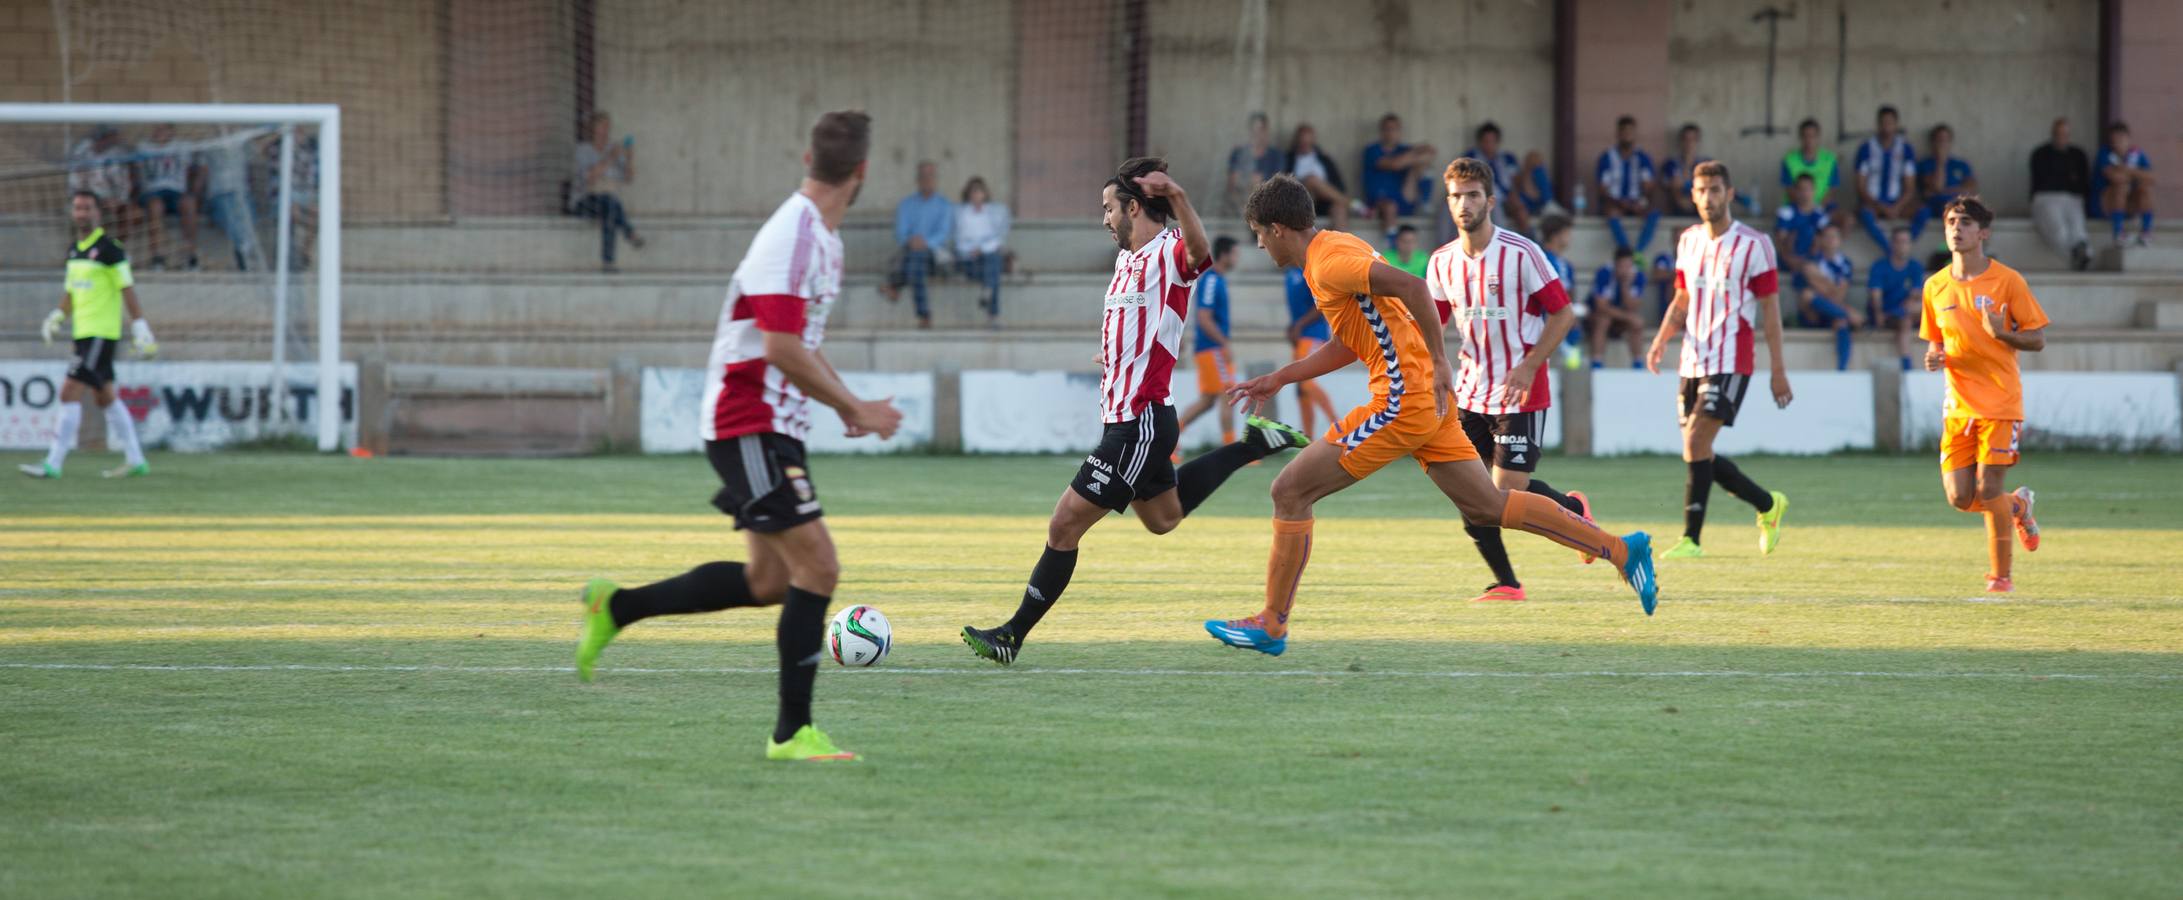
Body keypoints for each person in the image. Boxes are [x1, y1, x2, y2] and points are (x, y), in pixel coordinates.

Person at [1205, 175, 1657, 656]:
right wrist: (1282, 377)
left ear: (1277, 229)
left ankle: (1272, 623)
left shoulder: (1331, 261)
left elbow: (1415, 286)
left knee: (1288, 490)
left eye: (1258, 232)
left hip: (1402, 401)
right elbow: (1347, 341)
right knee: (1491, 506)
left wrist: (1441, 360)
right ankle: (1622, 550)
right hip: (1426, 400)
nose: (1257, 243)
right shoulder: (1333, 250)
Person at [573, 111, 903, 763]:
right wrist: (854, 405)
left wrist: (846, 405)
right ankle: (791, 734)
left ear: (808, 154)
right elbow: (780, 348)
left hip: (773, 424)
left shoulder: (822, 241)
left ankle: (616, 607)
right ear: (863, 171)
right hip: (745, 419)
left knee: (768, 582)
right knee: (820, 566)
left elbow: (799, 344)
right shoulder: (794, 236)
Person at [958, 159, 1311, 667]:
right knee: (1163, 518)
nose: (1104, 219)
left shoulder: (1169, 251)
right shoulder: (1127, 262)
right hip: (1135, 417)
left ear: (1133, 207)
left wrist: (1180, 196)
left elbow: (1201, 252)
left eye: (1108, 208)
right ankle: (1252, 445)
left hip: (1137, 422)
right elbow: (1137, 326)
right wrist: (1113, 354)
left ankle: (1011, 635)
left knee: (1063, 528)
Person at [1425, 156, 1598, 603]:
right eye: (1456, 197)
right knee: (1469, 492)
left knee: (1504, 497)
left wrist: (1529, 364)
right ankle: (1507, 583)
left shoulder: (1521, 253)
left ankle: (1575, 511)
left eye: (1473, 195)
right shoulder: (1442, 262)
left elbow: (1562, 313)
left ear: (1491, 201)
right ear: (1448, 203)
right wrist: (1428, 368)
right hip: (1469, 393)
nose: (1464, 205)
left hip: (1521, 392)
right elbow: (1432, 325)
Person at [1644, 161, 1794, 561]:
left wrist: (1778, 370)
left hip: (1732, 358)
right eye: (1700, 190)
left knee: (1695, 442)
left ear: (1729, 194)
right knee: (1698, 451)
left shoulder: (1755, 244)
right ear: (1692, 195)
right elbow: (1682, 298)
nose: (1707, 197)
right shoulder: (1688, 240)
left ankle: (1691, 540)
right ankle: (1767, 504)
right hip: (1692, 358)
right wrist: (1661, 339)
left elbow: (1770, 310)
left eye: (1715, 190)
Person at [1921, 196, 2046, 593]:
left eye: (1966, 223)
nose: (1957, 228)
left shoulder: (2008, 281)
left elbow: (2037, 338)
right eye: (1951, 222)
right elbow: (1934, 342)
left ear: (1983, 233)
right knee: (1959, 497)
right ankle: (2019, 506)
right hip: (1958, 405)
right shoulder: (1935, 286)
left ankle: (2000, 578)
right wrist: (1933, 357)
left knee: (1988, 489)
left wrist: (2004, 334)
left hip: (2001, 401)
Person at [21, 192, 154, 480]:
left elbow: (126, 288)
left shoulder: (110, 249)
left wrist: (140, 325)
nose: (81, 213)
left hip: (101, 333)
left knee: (69, 390)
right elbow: (71, 291)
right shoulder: (74, 250)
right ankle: (136, 460)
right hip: (83, 333)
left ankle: (53, 464)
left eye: (87, 208)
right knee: (105, 396)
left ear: (98, 213)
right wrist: (57, 316)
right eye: (78, 208)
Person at [1178, 235, 1241, 446]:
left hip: (1208, 349)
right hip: (1212, 348)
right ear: (1224, 255)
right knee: (1228, 395)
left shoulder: (1217, 279)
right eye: (1235, 254)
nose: (1237, 258)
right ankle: (1231, 448)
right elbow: (1204, 318)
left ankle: (1171, 442)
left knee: (1207, 401)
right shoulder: (1212, 280)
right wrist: (1224, 344)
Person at [570, 111, 645, 273]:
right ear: (593, 129)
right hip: (584, 202)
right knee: (610, 202)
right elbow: (589, 177)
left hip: (607, 202)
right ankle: (629, 232)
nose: (605, 131)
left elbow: (628, 178)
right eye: (602, 127)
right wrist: (610, 158)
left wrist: (629, 158)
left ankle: (608, 263)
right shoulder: (583, 150)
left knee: (610, 206)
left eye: (608, 127)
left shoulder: (613, 149)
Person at [880, 160, 951, 328]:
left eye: (931, 176)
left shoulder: (944, 205)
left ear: (936, 179)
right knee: (916, 262)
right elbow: (900, 233)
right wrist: (911, 241)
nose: (927, 180)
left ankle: (895, 285)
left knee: (916, 258)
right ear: (917, 180)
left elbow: (944, 233)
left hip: (935, 257)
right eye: (923, 176)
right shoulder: (906, 204)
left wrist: (925, 242)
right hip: (912, 253)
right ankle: (924, 314)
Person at [1361, 114, 1439, 243]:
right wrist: (1415, 154)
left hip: (1404, 197)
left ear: (1399, 131)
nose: (1391, 132)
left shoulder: (1404, 149)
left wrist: (1415, 155)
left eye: (1394, 129)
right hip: (1379, 201)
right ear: (1381, 131)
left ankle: (1425, 202)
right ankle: (1391, 244)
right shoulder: (1372, 150)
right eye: (1387, 129)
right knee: (1390, 207)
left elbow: (1430, 153)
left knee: (1424, 166)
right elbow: (1394, 164)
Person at [2029, 118, 2093, 270]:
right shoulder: (2040, 154)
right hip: (2046, 198)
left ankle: (2083, 251)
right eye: (2058, 134)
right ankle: (2076, 254)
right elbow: (2041, 183)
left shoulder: (2077, 154)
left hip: (2072, 198)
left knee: (2078, 227)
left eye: (2065, 134)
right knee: (2058, 228)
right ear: (2052, 134)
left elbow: (2081, 184)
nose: (2061, 137)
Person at [1796, 223, 1861, 371]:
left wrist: (1822, 282)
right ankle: (1849, 315)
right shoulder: (1810, 260)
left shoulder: (1845, 263)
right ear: (1820, 240)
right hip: (1813, 312)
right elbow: (1819, 288)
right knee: (1807, 295)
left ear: (1840, 240)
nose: (1831, 240)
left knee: (1841, 323)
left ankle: (1841, 370)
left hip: (1832, 310)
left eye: (1835, 236)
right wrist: (1831, 287)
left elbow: (1839, 294)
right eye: (1827, 236)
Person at [1285, 263, 1340, 436]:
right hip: (1301, 335)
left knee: (1306, 383)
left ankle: (1338, 426)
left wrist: (1299, 325)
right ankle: (1308, 440)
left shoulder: (1309, 269)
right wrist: (1293, 327)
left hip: (1313, 334)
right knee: (1301, 391)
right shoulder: (1290, 272)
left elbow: (1321, 304)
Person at [135, 123, 199, 270]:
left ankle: (190, 255)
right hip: (153, 191)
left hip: (177, 192)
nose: (159, 132)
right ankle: (157, 256)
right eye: (157, 128)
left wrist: (194, 191)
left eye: (164, 129)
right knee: (156, 205)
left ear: (172, 132)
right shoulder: (143, 147)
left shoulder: (183, 147)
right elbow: (135, 172)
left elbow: (192, 170)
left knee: (189, 203)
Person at [1854, 105, 1919, 251]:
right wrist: (1881, 206)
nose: (1886, 127)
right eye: (1883, 122)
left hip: (1898, 204)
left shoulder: (1905, 149)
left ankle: (1905, 244)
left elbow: (1910, 187)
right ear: (1877, 124)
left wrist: (1897, 206)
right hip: (1873, 204)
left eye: (1890, 122)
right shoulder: (1866, 148)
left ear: (1896, 124)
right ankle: (1890, 249)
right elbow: (1860, 186)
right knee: (1864, 214)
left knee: (1923, 212)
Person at [198, 131, 260, 271]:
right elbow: (203, 171)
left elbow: (254, 163)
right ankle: (244, 249)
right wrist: (198, 196)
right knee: (229, 214)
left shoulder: (243, 143)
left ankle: (243, 250)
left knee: (248, 214)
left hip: (242, 193)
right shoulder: (209, 145)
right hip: (219, 194)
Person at [1596, 115, 1660, 253]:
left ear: (1635, 134)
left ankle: (1638, 252)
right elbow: (1603, 188)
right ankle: (1626, 251)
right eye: (1623, 131)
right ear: (1617, 133)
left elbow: (1649, 185)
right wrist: (1620, 203)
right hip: (1615, 202)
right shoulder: (1607, 157)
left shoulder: (1642, 157)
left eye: (1630, 131)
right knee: (1611, 213)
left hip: (1637, 202)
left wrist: (1641, 201)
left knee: (1653, 213)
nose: (1627, 135)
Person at [953, 176, 1009, 326]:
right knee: (992, 273)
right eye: (973, 192)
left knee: (993, 260)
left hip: (987, 255)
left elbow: (998, 238)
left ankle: (989, 297)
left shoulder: (994, 212)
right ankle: (992, 313)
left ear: (985, 194)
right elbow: (958, 240)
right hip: (967, 257)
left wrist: (982, 249)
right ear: (968, 195)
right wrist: (972, 250)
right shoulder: (961, 214)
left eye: (979, 192)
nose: (976, 196)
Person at [1867, 227, 1925, 371]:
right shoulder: (1880, 266)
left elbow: (1915, 293)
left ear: (1910, 244)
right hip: (1886, 313)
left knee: (1936, 307)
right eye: (1899, 241)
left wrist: (1907, 306)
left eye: (1905, 242)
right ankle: (1907, 365)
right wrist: (1879, 313)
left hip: (1906, 311)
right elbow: (1875, 295)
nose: (1902, 245)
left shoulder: (1915, 266)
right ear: (1892, 244)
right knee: (1906, 321)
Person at [67, 125, 134, 245]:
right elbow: (75, 182)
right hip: (87, 196)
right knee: (86, 212)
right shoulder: (82, 153)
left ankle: (118, 250)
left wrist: (118, 200)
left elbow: (123, 182)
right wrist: (91, 198)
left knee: (127, 213)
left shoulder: (116, 154)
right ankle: (86, 248)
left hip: (110, 198)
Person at [1909, 123, 1977, 242]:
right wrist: (1940, 162)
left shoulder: (1960, 164)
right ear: (1933, 142)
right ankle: (1908, 244)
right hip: (1932, 205)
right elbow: (1937, 185)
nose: (1942, 144)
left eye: (1945, 140)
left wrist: (1942, 191)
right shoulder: (1925, 164)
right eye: (1939, 140)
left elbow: (1970, 189)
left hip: (1954, 206)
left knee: (1963, 212)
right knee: (1923, 212)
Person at [1538, 215, 1586, 370]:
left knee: (1572, 366)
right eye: (1567, 233)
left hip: (1565, 325)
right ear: (1556, 235)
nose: (1570, 237)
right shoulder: (1542, 259)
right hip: (1545, 325)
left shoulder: (1566, 264)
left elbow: (1570, 294)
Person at [1588, 246, 1649, 369]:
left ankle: (1638, 363)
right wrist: (1628, 317)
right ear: (1615, 264)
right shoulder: (1604, 273)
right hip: (1599, 315)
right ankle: (1597, 362)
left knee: (1637, 324)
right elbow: (1601, 306)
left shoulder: (1638, 276)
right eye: (1622, 266)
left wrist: (1625, 285)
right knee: (1603, 320)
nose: (1625, 270)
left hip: (1621, 316)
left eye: (1629, 266)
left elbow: (1633, 306)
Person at [1283, 123, 1350, 232]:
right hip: (1300, 200)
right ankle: (1350, 204)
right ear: (1297, 141)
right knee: (1312, 180)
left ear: (1313, 141)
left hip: (1324, 201)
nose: (1305, 144)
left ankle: (1341, 247)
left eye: (1308, 141)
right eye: (1302, 141)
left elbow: (1338, 184)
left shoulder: (1324, 159)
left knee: (1339, 209)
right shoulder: (1288, 159)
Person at [2097, 121, 2155, 246]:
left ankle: (2146, 232)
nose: (2118, 143)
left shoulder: (2136, 153)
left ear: (2128, 138)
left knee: (2145, 188)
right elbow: (2115, 178)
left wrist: (2127, 169)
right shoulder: (2105, 153)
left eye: (2121, 138)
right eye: (2115, 139)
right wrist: (2136, 175)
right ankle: (2118, 233)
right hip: (2106, 204)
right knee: (2121, 187)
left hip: (2130, 204)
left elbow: (2151, 177)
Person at [1464, 122, 1527, 233]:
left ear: (1498, 142)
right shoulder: (1472, 157)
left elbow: (1515, 180)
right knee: (1494, 207)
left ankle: (1530, 241)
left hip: (1507, 197)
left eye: (1492, 141)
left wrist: (1513, 195)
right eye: (1485, 141)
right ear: (1480, 142)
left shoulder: (1507, 158)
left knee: (1521, 211)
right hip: (1486, 197)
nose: (1489, 145)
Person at [1226, 112, 1285, 214]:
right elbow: (1233, 183)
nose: (1257, 134)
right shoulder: (1239, 153)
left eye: (1260, 130)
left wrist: (1258, 181)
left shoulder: (1276, 156)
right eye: (1254, 130)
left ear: (1266, 131)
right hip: (1241, 203)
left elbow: (1278, 185)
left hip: (1267, 204)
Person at [1773, 173, 1832, 270]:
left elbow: (1824, 240)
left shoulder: (1820, 214)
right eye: (1801, 189)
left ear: (1814, 190)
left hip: (1813, 260)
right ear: (1795, 191)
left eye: (1808, 189)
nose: (1805, 193)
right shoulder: (1786, 212)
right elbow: (1781, 240)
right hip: (1790, 259)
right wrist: (1790, 258)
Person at [1780, 118, 1841, 209]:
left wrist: (1817, 209)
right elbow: (1789, 190)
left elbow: (1832, 189)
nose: (1809, 140)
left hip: (1823, 207)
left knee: (1847, 220)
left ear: (1818, 137)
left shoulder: (1829, 159)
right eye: (1805, 136)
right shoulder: (1789, 160)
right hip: (1797, 208)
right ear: (1800, 137)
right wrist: (1806, 210)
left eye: (1813, 136)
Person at [1656, 123, 1710, 217]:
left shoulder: (1707, 164)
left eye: (1693, 139)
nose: (1689, 143)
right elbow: (1670, 186)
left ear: (1698, 142)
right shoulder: (1671, 164)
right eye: (1686, 139)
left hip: (1702, 211)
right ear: (1680, 141)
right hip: (1677, 211)